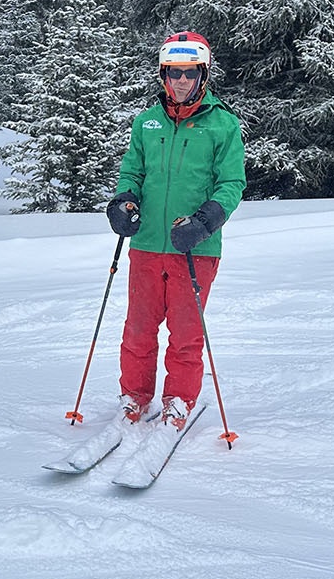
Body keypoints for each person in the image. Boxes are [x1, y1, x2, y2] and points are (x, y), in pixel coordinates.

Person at [104, 31, 246, 431]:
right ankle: (134, 396)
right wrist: (123, 203)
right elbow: (132, 171)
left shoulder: (223, 125)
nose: (180, 81)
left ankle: (179, 401)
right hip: (147, 243)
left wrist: (204, 223)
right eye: (172, 73)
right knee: (138, 328)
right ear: (163, 76)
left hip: (194, 247)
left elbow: (231, 183)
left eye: (188, 73)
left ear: (203, 74)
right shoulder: (145, 122)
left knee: (185, 333)